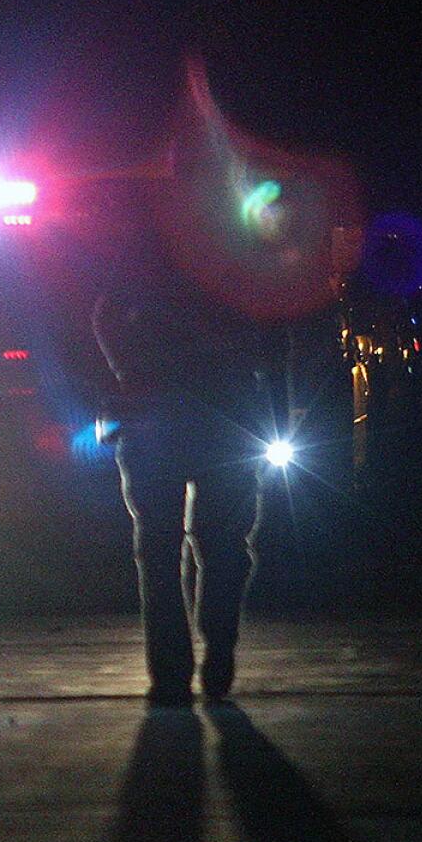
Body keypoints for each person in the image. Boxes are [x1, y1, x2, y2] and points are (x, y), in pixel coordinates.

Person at [93, 184, 274, 705]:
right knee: (221, 546)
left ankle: (173, 672)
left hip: (163, 418)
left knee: (159, 547)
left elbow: (104, 315)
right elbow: (268, 332)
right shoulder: (234, 253)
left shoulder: (145, 250)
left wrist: (129, 375)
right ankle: (216, 651)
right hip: (221, 419)